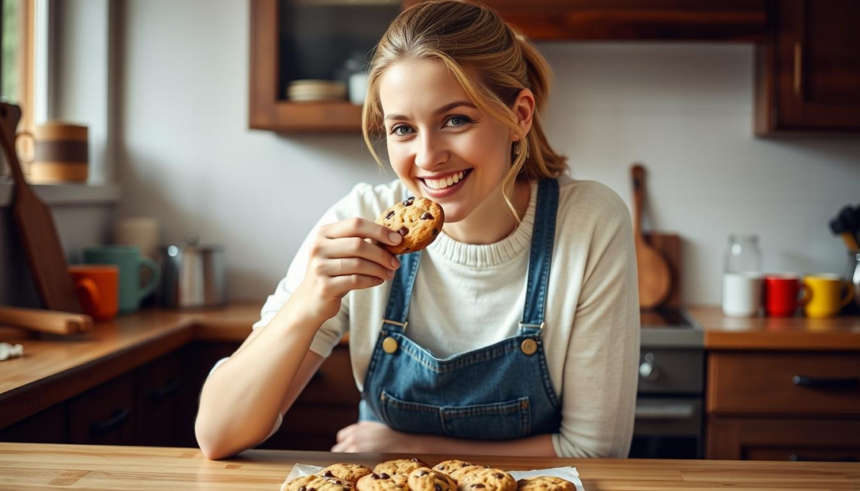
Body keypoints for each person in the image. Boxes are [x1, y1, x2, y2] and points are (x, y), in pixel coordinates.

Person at [195, 0, 639, 461]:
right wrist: (308, 304)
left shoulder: (587, 224)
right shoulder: (360, 220)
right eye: (403, 129)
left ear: (519, 116)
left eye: (456, 120)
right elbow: (218, 435)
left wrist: (411, 446)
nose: (427, 158)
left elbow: (595, 451)